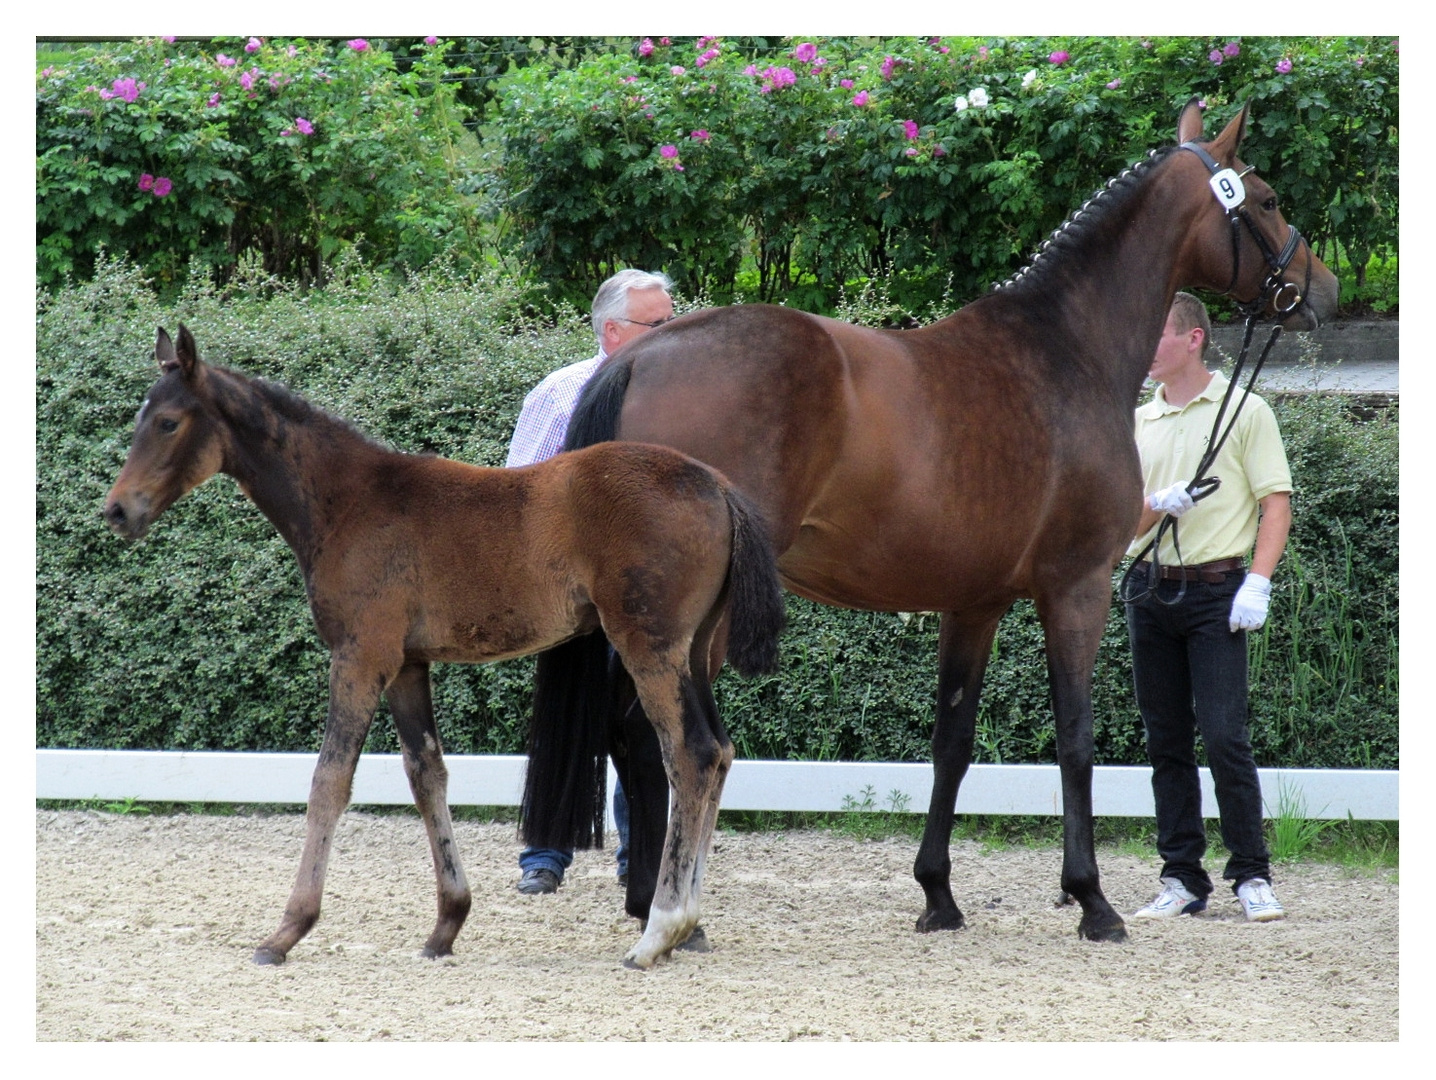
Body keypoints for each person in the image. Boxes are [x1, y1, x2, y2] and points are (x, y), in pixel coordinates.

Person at [506, 268, 676, 895]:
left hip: (647, 586)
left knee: (645, 713)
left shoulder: (684, 397)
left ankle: (639, 856)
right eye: (658, 324)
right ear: (612, 329)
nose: (672, 332)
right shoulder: (563, 390)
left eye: (672, 320)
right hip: (570, 582)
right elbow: (518, 486)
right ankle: (546, 852)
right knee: (567, 702)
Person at [1125, 291, 1292, 923]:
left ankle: (1251, 873)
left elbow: (1274, 502)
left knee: (1224, 737)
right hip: (1150, 589)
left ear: (1193, 339)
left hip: (1218, 592)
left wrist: (1258, 581)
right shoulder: (1138, 422)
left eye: (1157, 334)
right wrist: (1158, 503)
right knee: (1165, 740)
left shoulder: (1243, 411)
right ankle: (1182, 876)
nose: (1145, 347)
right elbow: (1122, 527)